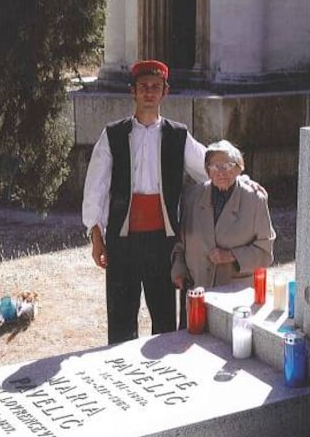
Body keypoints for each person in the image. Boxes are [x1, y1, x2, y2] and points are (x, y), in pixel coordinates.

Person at [83, 60, 265, 344]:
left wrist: (241, 178)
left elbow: (209, 165)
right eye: (143, 87)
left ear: (165, 92)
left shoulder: (177, 135)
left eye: (156, 87)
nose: (149, 92)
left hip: (162, 241)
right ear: (133, 91)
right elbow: (96, 185)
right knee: (121, 316)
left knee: (164, 318)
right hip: (123, 239)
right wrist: (96, 235)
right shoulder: (113, 135)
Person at [171, 139, 276, 290]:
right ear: (207, 170)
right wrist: (179, 270)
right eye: (214, 167)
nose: (221, 172)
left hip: (235, 293)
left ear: (238, 169)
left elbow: (265, 251)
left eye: (227, 166)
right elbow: (180, 243)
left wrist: (232, 255)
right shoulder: (192, 197)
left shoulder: (254, 200)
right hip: (197, 289)